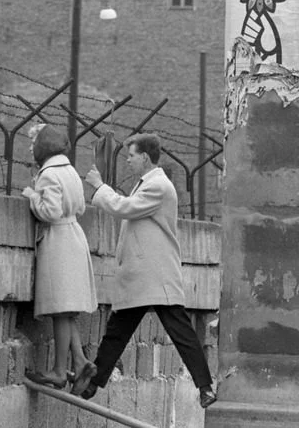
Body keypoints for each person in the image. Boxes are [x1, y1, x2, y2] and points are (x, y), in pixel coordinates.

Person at [71, 133, 217, 409]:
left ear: (145, 158)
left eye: (132, 156)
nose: (127, 161)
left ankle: (205, 387)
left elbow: (123, 208)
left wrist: (100, 187)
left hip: (156, 275)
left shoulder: (158, 186)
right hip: (143, 275)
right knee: (117, 331)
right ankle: (92, 384)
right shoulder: (147, 184)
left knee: (180, 332)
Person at [21, 123, 98, 389]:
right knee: (66, 309)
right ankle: (80, 361)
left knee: (60, 308)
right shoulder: (70, 171)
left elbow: (50, 212)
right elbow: (80, 207)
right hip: (74, 236)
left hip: (59, 241)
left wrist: (32, 196)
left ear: (43, 145)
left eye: (33, 143)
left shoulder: (48, 174)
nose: (30, 149)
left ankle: (59, 371)